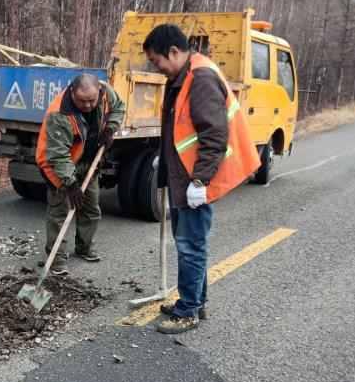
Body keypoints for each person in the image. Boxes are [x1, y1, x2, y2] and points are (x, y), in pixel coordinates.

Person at [143, 24, 259, 334]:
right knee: (190, 245)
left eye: (158, 61)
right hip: (185, 177)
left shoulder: (201, 79)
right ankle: (195, 300)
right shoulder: (183, 76)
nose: (158, 68)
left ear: (174, 52)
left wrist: (200, 181)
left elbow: (215, 135)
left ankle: (188, 311)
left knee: (190, 246)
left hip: (195, 181)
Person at [35, 74, 125, 275]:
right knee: (60, 212)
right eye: (82, 101)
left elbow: (119, 107)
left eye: (92, 100)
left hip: (88, 162)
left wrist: (110, 128)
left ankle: (84, 247)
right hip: (57, 165)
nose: (88, 105)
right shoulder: (59, 114)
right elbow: (58, 157)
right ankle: (56, 259)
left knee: (91, 207)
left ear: (99, 93)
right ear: (72, 92)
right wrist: (71, 185)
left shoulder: (105, 93)